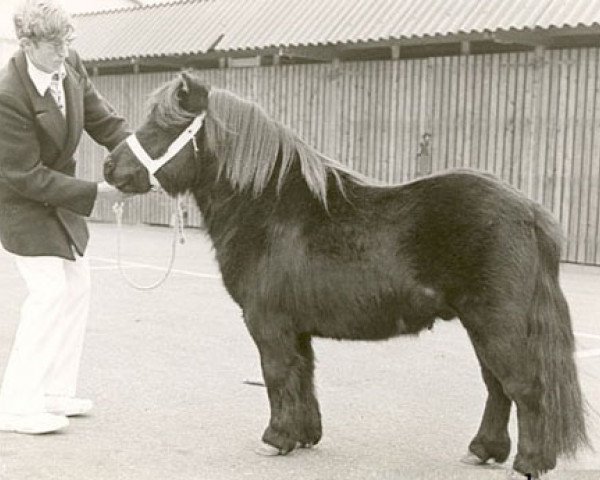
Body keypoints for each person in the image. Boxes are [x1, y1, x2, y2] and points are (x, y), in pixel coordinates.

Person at [0, 0, 132, 434]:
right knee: (50, 292)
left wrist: (143, 158)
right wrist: (96, 191)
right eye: (54, 44)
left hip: (58, 199)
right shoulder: (7, 96)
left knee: (78, 285)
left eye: (67, 42)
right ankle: (16, 405)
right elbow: (25, 176)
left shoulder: (70, 63)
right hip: (21, 204)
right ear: (26, 44)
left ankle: (55, 392)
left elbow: (103, 121)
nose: (63, 51)